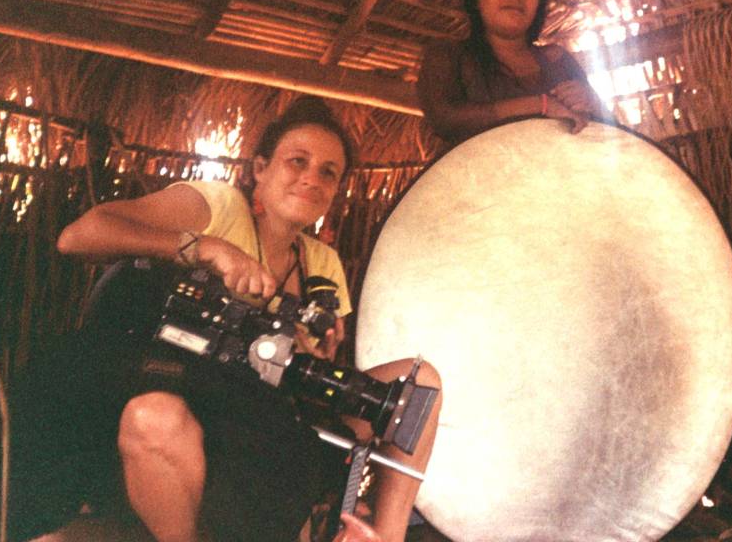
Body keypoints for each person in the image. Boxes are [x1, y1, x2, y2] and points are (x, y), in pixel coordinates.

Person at [47, 96, 440, 542]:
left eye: (328, 172)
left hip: (271, 426)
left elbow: (307, 382)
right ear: (260, 168)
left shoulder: (321, 263)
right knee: (152, 416)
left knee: (420, 382)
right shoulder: (218, 208)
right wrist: (202, 248)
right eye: (297, 161)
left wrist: (320, 358)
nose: (311, 178)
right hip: (196, 408)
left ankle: (383, 535)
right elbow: (79, 237)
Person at [418, 0, 603, 146]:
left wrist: (594, 103)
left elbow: (612, 140)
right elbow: (444, 119)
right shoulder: (448, 56)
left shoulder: (558, 60)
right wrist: (539, 105)